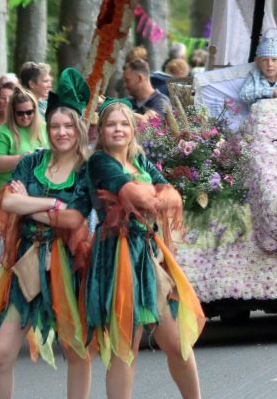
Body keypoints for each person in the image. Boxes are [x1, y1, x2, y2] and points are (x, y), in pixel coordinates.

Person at [85, 99, 205, 399]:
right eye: (111, 124)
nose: (118, 129)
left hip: (148, 255)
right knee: (126, 346)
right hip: (117, 255)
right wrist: (151, 196)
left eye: (124, 124)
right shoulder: (99, 161)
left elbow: (171, 195)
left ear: (132, 129)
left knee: (177, 343)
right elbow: (135, 194)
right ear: (101, 130)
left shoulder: (139, 161)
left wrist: (152, 196)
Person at [0, 68, 93, 399]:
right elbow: (8, 201)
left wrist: (28, 206)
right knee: (0, 354)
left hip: (69, 265)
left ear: (79, 128)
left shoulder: (87, 169)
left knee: (75, 350)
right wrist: (52, 204)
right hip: (27, 262)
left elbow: (74, 219)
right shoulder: (32, 162)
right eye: (55, 126)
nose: (61, 132)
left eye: (68, 126)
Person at [0, 87, 47, 200]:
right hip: (7, 194)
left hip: (38, 194)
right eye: (20, 113)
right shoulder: (3, 132)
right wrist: (22, 159)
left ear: (35, 110)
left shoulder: (45, 128)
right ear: (13, 113)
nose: (25, 116)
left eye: (29, 112)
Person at [239, 33, 277, 106]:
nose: (270, 64)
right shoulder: (254, 76)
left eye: (274, 60)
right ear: (257, 61)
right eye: (265, 60)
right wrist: (270, 92)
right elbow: (243, 95)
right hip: (259, 112)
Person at [122, 56, 171, 122]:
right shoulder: (129, 102)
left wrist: (122, 114)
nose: (124, 85)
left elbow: (151, 123)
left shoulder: (162, 102)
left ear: (139, 78)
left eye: (127, 80)